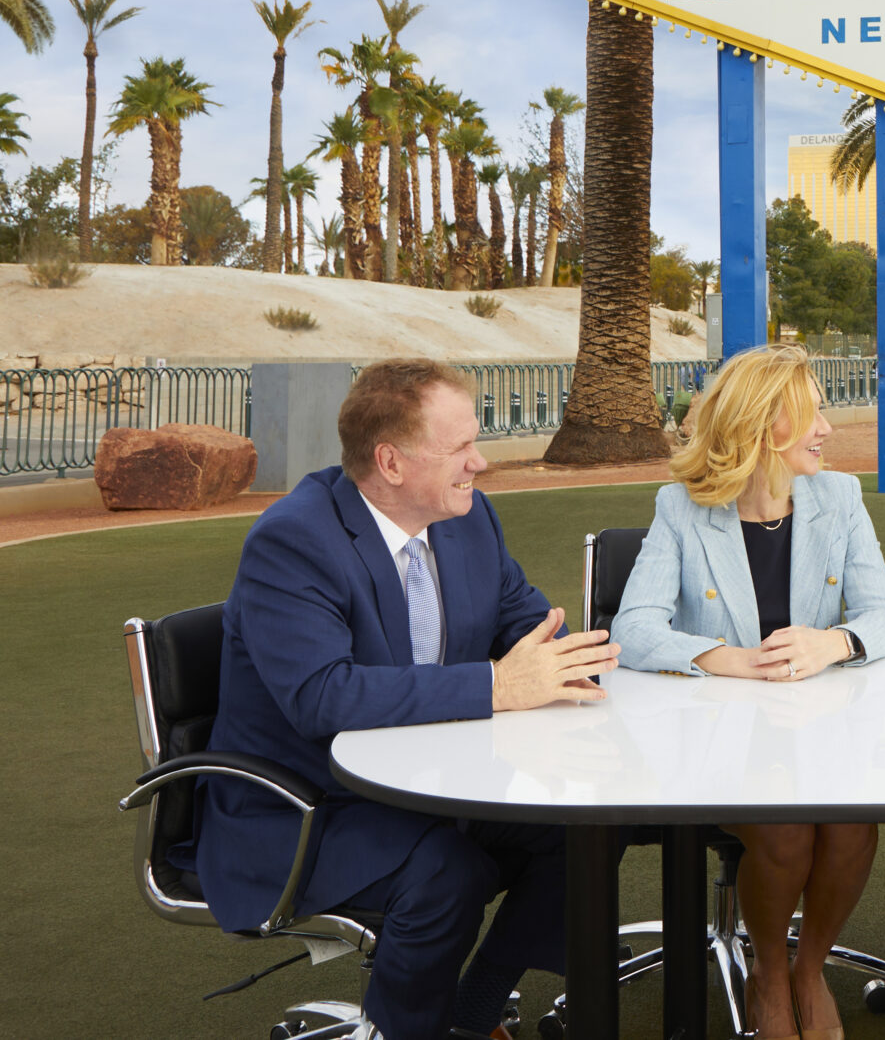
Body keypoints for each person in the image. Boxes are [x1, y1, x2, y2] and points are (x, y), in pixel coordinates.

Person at [199, 358, 620, 1040]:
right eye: (459, 448)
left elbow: (523, 618)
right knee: (446, 870)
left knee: (585, 823)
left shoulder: (466, 517)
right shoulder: (294, 541)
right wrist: (496, 685)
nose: (479, 462)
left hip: (433, 780)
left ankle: (474, 1009)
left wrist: (570, 662)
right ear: (390, 461)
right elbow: (323, 696)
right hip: (310, 807)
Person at [611, 342, 885, 1040]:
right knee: (782, 822)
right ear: (759, 423)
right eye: (813, 414)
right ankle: (769, 970)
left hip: (820, 727)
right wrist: (727, 657)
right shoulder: (681, 507)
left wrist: (832, 642)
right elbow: (634, 627)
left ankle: (811, 966)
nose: (828, 428)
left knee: (849, 822)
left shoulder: (838, 497)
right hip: (716, 741)